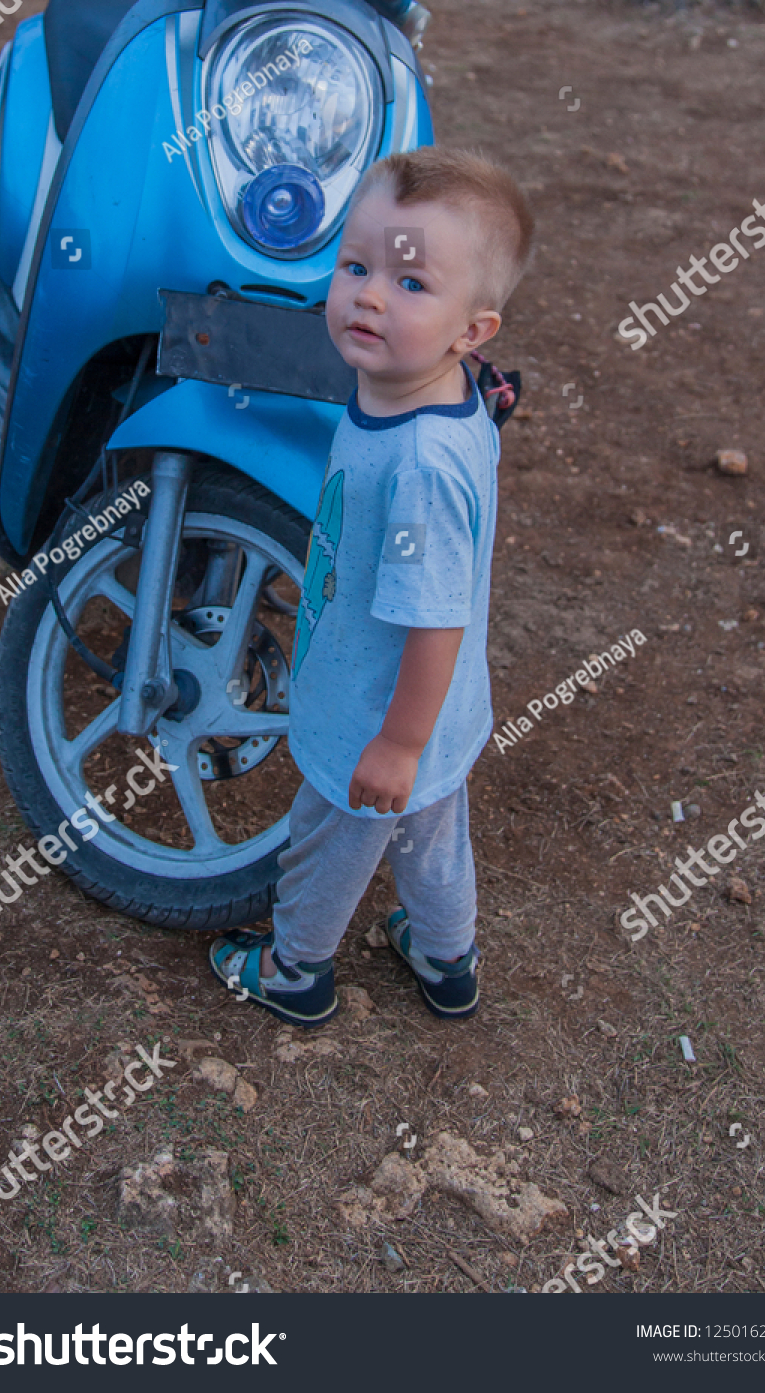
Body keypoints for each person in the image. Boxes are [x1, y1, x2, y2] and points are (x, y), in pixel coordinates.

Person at [210, 146, 533, 1026]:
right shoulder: (441, 390)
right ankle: (444, 957)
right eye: (356, 265)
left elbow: (432, 618)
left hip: (376, 715)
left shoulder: (418, 467)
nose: (370, 295)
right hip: (443, 714)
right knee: (434, 841)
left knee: (329, 846)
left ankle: (294, 972)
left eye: (411, 283)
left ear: (473, 332)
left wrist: (393, 744)